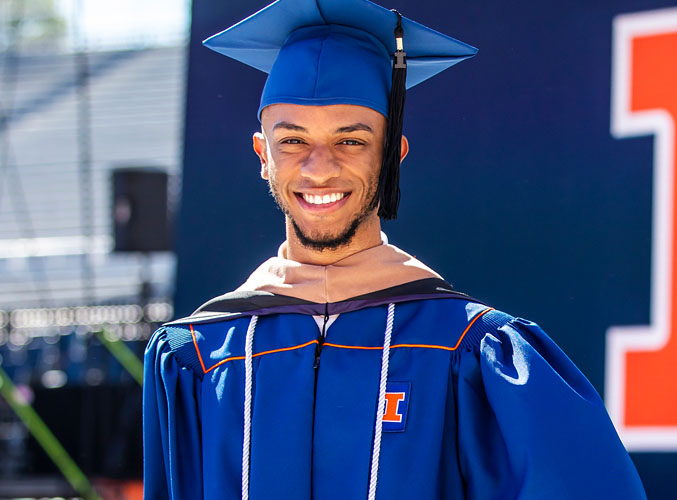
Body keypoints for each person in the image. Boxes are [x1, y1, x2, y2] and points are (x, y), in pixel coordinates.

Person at [143, 0, 646, 498]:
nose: (319, 169)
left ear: (393, 156)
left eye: (351, 142)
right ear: (262, 156)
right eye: (293, 141)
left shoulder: (468, 349)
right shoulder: (199, 354)